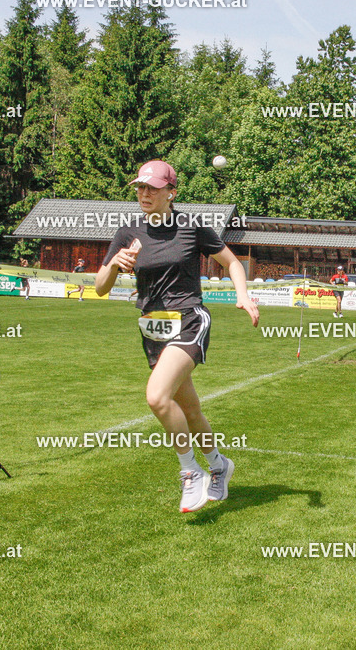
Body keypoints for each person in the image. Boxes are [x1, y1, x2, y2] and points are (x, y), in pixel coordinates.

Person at [95, 160, 259, 513]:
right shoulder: (128, 232)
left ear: (171, 193)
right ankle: (219, 465)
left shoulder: (191, 226)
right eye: (140, 187)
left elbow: (232, 263)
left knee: (156, 397)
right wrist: (114, 264)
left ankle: (190, 472)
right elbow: (99, 288)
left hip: (189, 319)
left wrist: (242, 294)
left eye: (153, 188)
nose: (144, 194)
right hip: (153, 327)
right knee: (190, 409)